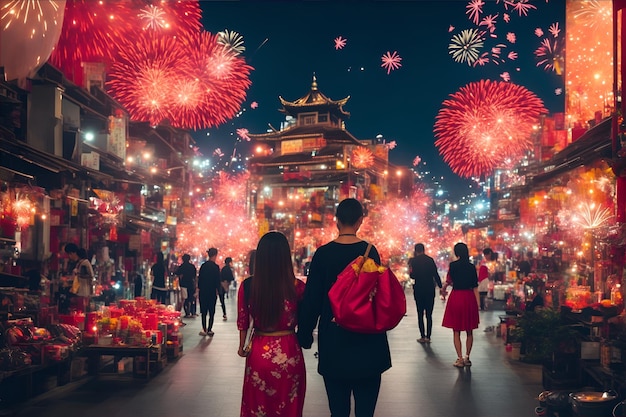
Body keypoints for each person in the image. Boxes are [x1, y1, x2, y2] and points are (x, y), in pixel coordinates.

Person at [297, 198, 391, 417]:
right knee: (365, 411)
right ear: (360, 221)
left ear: (336, 221)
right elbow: (378, 295)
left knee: (338, 411)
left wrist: (304, 335)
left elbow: (312, 298)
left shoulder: (322, 254)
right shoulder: (370, 252)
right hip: (368, 341)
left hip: (334, 341)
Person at [237, 232, 306, 417]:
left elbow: (243, 320)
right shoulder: (297, 287)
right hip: (289, 350)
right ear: (285, 257)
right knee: (288, 407)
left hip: (259, 351)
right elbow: (306, 319)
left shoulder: (249, 285)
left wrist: (242, 347)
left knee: (258, 406)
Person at [441, 242, 480, 368]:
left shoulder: (453, 266)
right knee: (469, 331)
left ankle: (459, 358)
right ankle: (468, 357)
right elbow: (475, 287)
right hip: (469, 298)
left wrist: (444, 288)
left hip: (456, 297)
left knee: (456, 331)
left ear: (456, 252)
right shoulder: (471, 267)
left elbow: (448, 281)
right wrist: (478, 305)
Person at [409, 243, 443, 343]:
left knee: (420, 314)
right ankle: (428, 336)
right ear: (424, 250)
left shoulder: (413, 261)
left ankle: (422, 336)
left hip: (419, 289)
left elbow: (412, 276)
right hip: (429, 289)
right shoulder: (430, 260)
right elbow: (435, 274)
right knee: (429, 314)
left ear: (416, 251)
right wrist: (441, 286)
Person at [197, 248, 221, 336]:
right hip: (212, 292)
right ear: (215, 255)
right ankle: (210, 329)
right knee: (211, 311)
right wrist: (218, 291)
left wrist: (198, 288)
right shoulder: (216, 267)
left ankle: (204, 328)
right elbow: (218, 280)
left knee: (203, 311)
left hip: (203, 291)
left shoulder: (203, 266)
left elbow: (200, 279)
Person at [175, 254, 197, 318]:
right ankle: (193, 312)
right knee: (191, 298)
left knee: (185, 299)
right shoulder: (192, 266)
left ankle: (187, 312)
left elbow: (176, 273)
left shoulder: (181, 267)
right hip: (191, 284)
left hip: (183, 284)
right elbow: (194, 276)